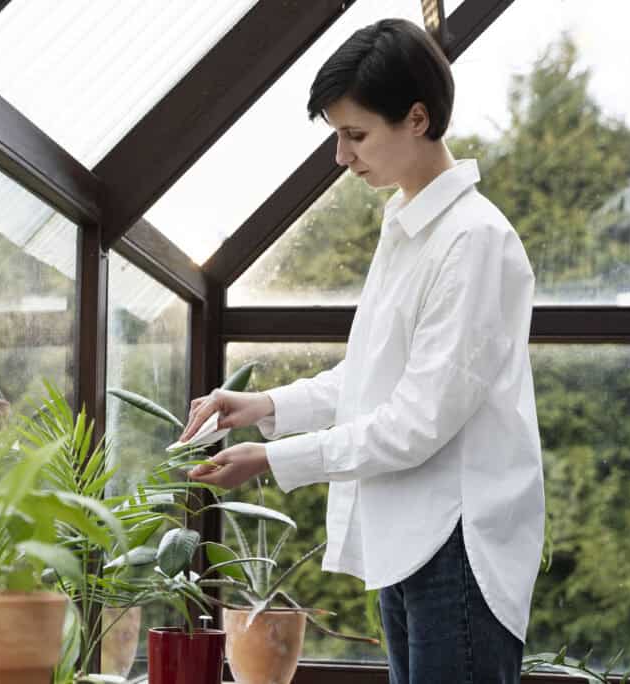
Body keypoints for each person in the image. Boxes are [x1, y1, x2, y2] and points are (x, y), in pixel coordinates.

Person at [185, 18, 544, 684]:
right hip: (410, 539)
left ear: (417, 118)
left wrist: (273, 457)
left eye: (355, 136)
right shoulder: (407, 229)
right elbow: (373, 377)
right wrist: (264, 404)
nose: (343, 159)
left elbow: (417, 421)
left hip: (455, 544)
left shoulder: (472, 241)